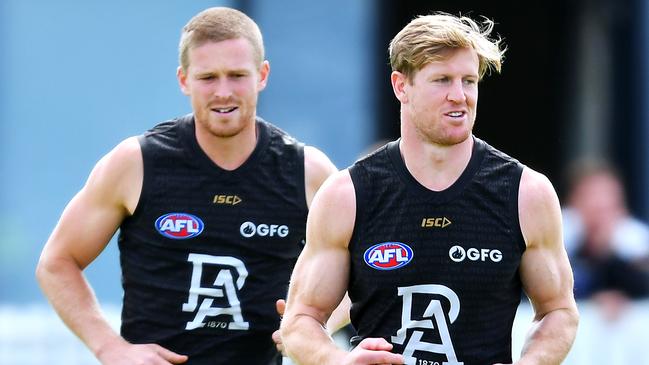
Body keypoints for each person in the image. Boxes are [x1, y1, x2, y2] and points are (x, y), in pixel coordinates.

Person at [35, 7, 337, 365]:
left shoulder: (307, 171)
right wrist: (108, 347)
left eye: (237, 75)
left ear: (262, 75)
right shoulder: (135, 163)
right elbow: (57, 262)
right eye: (208, 77)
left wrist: (313, 324)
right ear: (183, 80)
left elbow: (362, 262)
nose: (223, 92)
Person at [280, 12, 579, 365]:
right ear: (401, 86)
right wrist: (339, 361)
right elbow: (299, 321)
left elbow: (558, 311)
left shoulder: (526, 193)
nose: (459, 96)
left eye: (468, 81)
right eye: (442, 80)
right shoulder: (347, 195)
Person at [562, 159, 649, 320]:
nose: (600, 207)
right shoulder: (558, 234)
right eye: (591, 198)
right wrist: (591, 297)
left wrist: (608, 253)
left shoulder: (635, 242)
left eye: (609, 201)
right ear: (574, 201)